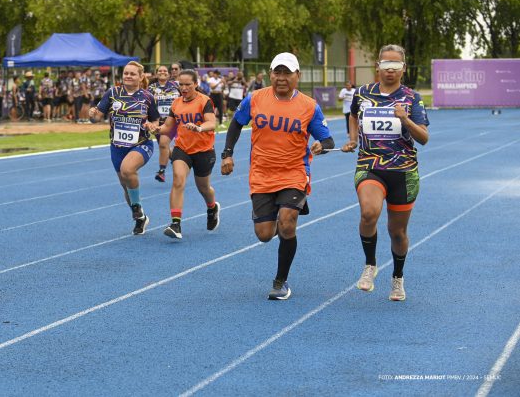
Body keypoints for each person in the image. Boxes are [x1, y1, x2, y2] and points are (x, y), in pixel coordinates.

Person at [221, 52, 334, 300]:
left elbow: (327, 138)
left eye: (287, 73)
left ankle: (280, 281)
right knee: (263, 234)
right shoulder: (255, 99)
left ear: (297, 76)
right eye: (277, 72)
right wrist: (227, 153)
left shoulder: (308, 106)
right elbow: (236, 124)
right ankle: (276, 221)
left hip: (294, 172)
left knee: (287, 222)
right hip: (262, 173)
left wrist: (321, 146)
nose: (281, 78)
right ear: (270, 74)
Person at [341, 45, 429, 302]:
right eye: (386, 65)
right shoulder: (362, 93)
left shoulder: (412, 98)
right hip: (370, 166)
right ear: (377, 67)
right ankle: (370, 265)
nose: (391, 71)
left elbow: (423, 137)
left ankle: (398, 278)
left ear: (404, 68)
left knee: (397, 232)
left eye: (396, 66)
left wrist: (406, 120)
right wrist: (353, 139)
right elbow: (353, 115)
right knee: (369, 212)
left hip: (403, 171)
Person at [89, 61, 160, 235]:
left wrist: (152, 125)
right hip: (117, 147)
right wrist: (92, 115)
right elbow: (97, 116)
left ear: (141, 77)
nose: (128, 76)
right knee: (125, 185)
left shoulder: (147, 97)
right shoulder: (113, 93)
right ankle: (140, 217)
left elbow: (156, 120)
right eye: (126, 73)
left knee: (128, 170)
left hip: (141, 144)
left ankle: (136, 206)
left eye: (132, 74)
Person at [149, 69, 220, 239]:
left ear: (196, 84)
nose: (184, 88)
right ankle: (176, 224)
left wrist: (199, 127)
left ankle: (212, 207)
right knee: (178, 180)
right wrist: (156, 129)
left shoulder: (205, 101)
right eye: (181, 84)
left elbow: (212, 123)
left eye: (188, 84)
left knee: (203, 187)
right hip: (183, 148)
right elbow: (168, 127)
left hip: (204, 150)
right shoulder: (176, 103)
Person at [148, 65, 180, 183]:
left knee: (163, 144)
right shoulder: (151, 88)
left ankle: (161, 171)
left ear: (168, 74)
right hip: (157, 121)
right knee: (164, 147)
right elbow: (146, 104)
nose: (162, 72)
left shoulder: (176, 86)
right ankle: (177, 157)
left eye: (165, 70)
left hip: (172, 121)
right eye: (160, 71)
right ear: (156, 74)